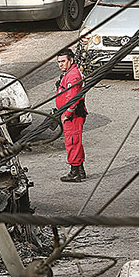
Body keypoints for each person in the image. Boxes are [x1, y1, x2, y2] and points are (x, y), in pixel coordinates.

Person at [56, 48, 87, 183]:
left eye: (63, 61)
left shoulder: (73, 76)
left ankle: (74, 173)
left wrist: (67, 114)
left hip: (73, 116)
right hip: (72, 114)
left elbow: (73, 99)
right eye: (59, 62)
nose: (60, 64)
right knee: (76, 142)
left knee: (72, 142)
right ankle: (80, 170)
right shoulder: (69, 73)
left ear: (71, 60)